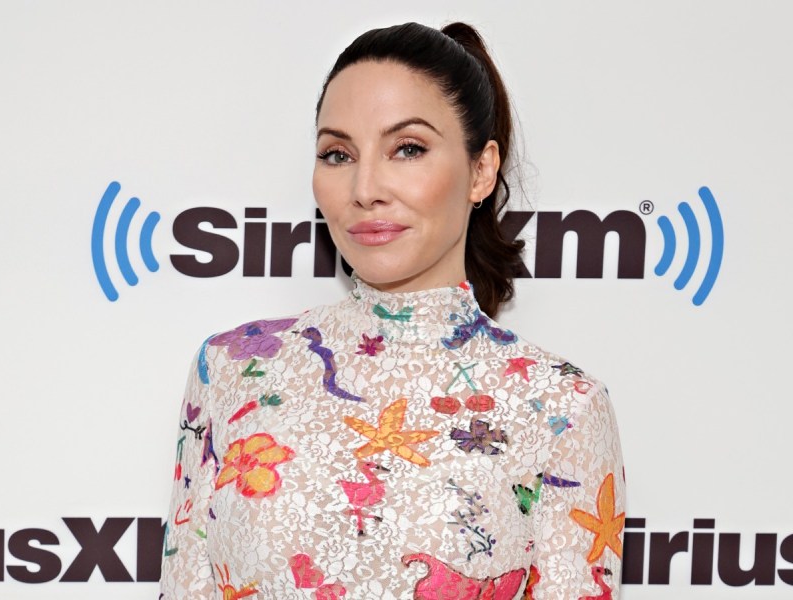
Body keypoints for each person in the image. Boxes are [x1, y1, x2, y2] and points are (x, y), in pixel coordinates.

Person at [160, 21, 625, 600]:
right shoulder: (230, 368)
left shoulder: (562, 408)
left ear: (481, 170)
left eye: (407, 148)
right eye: (337, 153)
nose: (365, 186)